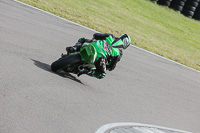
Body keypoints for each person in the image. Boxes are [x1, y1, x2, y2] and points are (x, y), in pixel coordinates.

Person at [66, 33, 131, 79]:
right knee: (102, 74)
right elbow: (111, 67)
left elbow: (96, 35)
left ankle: (74, 48)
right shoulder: (119, 54)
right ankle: (84, 70)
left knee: (83, 39)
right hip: (100, 58)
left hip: (94, 45)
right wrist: (106, 65)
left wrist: (97, 38)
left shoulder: (110, 36)